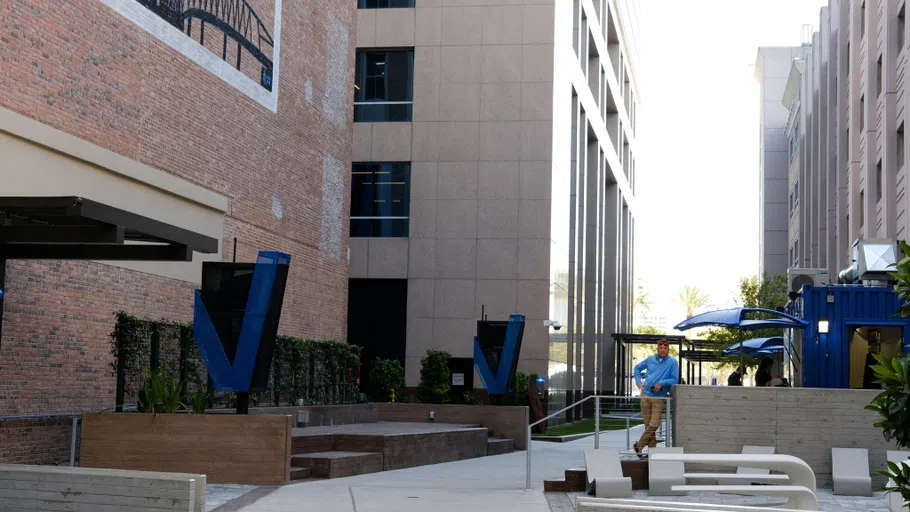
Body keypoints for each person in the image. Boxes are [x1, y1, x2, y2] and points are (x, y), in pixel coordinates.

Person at [632, 339, 679, 454]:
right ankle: (652, 454)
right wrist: (638, 382)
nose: (662, 350)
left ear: (668, 349)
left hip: (658, 398)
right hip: (645, 395)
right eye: (661, 348)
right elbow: (637, 368)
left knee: (654, 425)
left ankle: (639, 445)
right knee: (648, 425)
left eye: (665, 348)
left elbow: (674, 379)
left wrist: (661, 383)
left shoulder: (672, 362)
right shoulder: (650, 359)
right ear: (657, 348)